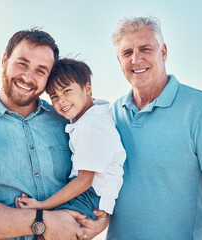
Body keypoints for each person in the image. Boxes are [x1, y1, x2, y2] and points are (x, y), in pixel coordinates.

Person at [0, 29, 108, 240]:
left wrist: (101, 216)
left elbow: (101, 171)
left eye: (41, 70)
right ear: (5, 60)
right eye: (22, 64)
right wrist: (41, 222)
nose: (28, 77)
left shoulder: (69, 122)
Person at [107, 17, 202, 240]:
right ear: (119, 60)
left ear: (164, 52)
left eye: (145, 49)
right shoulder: (112, 113)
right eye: (127, 52)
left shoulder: (200, 108)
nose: (136, 59)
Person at [15, 58, 126, 220]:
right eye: (54, 96)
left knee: (50, 229)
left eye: (67, 91)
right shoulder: (90, 117)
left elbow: (84, 180)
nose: (61, 101)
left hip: (88, 196)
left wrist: (42, 205)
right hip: (91, 196)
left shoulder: (90, 126)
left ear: (87, 88)